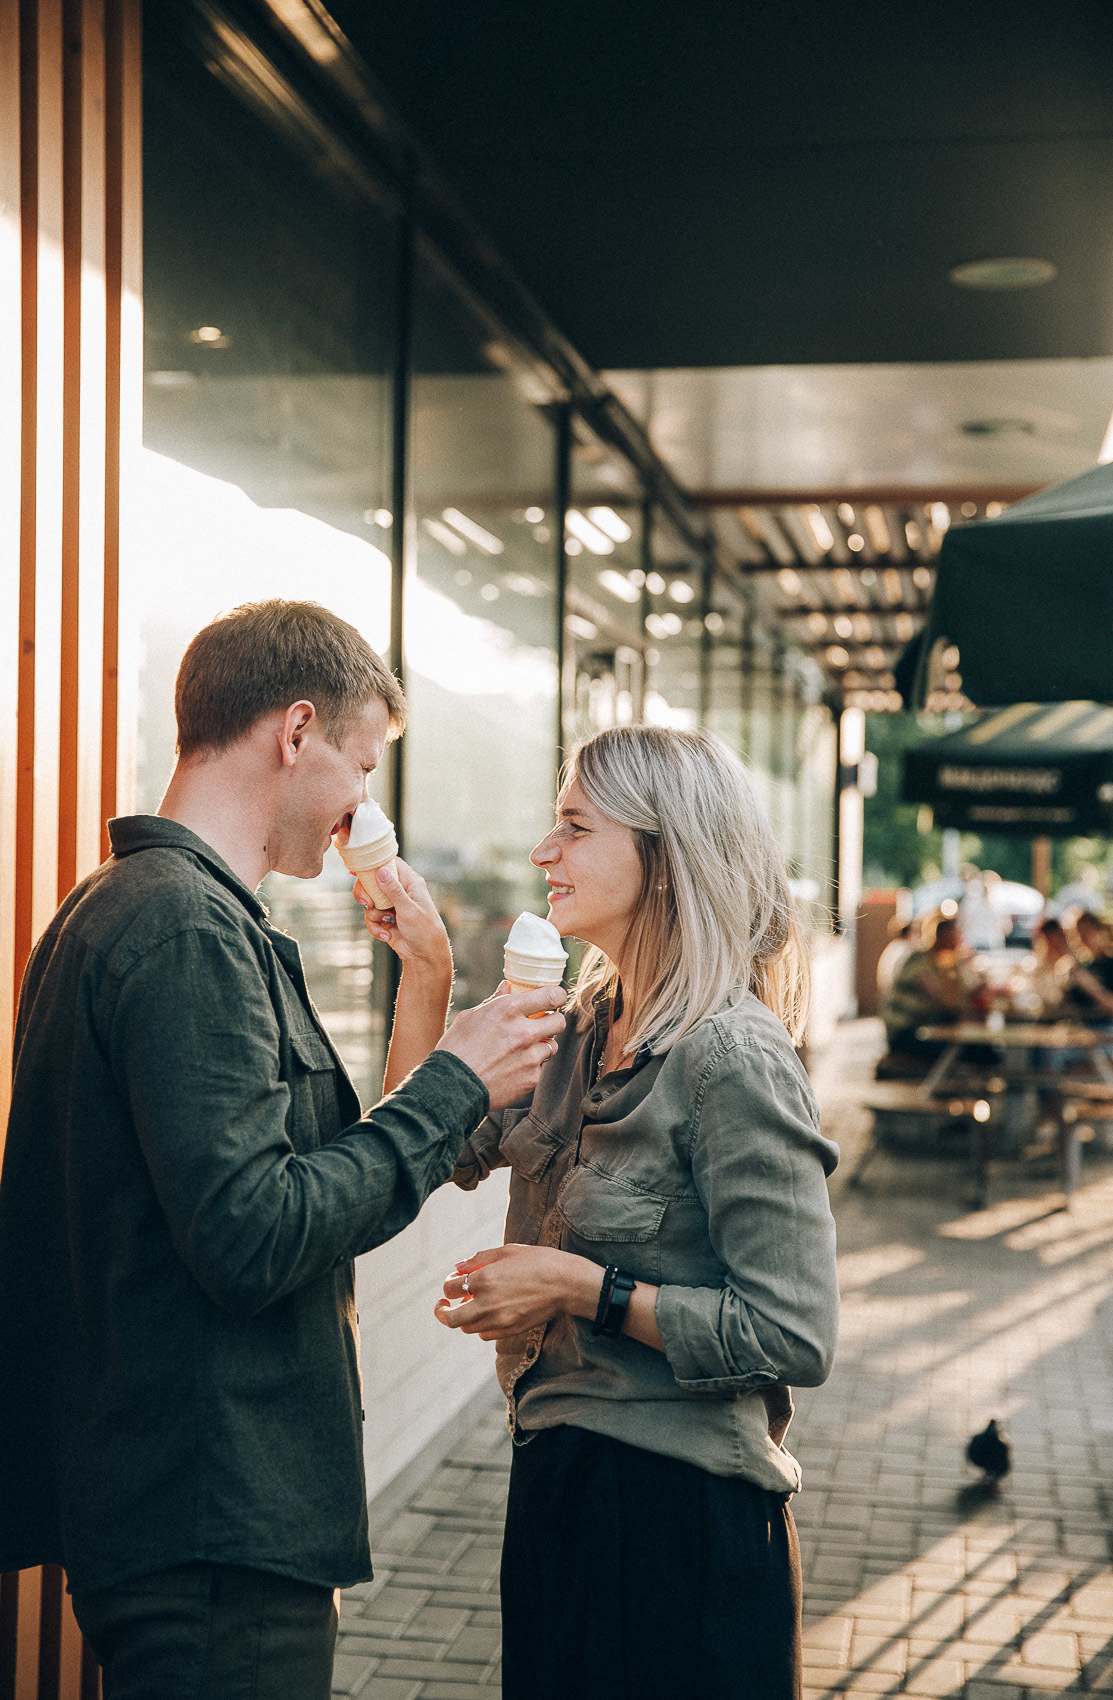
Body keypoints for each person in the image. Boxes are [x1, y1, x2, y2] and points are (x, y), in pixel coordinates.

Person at [0, 600, 565, 1700]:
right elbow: (254, 1232)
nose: (365, 804)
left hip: (184, 1509)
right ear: (294, 731)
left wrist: (431, 990)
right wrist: (458, 1080)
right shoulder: (184, 930)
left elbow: (309, 1186)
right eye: (361, 763)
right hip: (213, 1520)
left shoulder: (129, 910)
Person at [435, 725, 839, 1700]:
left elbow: (792, 1331)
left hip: (677, 1522)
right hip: (558, 1486)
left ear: (661, 857)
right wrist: (419, 963)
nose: (542, 852)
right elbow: (442, 1145)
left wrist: (578, 1285)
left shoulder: (730, 1056)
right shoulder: (579, 1027)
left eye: (571, 826)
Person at [882, 912, 980, 1058]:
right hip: (904, 1033)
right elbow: (938, 999)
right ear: (939, 936)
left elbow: (956, 994)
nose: (956, 943)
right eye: (953, 937)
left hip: (922, 1028)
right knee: (974, 1051)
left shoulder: (940, 960)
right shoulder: (919, 958)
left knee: (976, 1048)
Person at [1066, 910, 1113, 1031]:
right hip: (1081, 1029)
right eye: (1079, 933)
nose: (1083, 938)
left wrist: (1088, 984)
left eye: (1087, 932)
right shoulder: (1082, 965)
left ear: (1099, 931)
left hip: (1108, 1032)